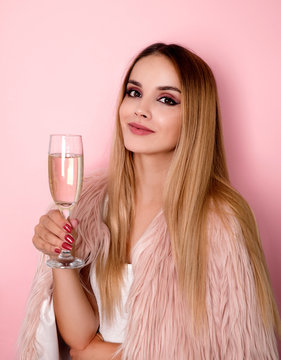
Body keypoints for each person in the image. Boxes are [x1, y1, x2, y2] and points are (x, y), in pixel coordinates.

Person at [18, 43, 281, 359]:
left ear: (195, 117)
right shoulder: (91, 205)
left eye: (166, 99)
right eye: (134, 92)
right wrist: (59, 255)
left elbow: (230, 347)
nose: (140, 109)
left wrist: (101, 354)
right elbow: (78, 338)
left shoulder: (219, 220)